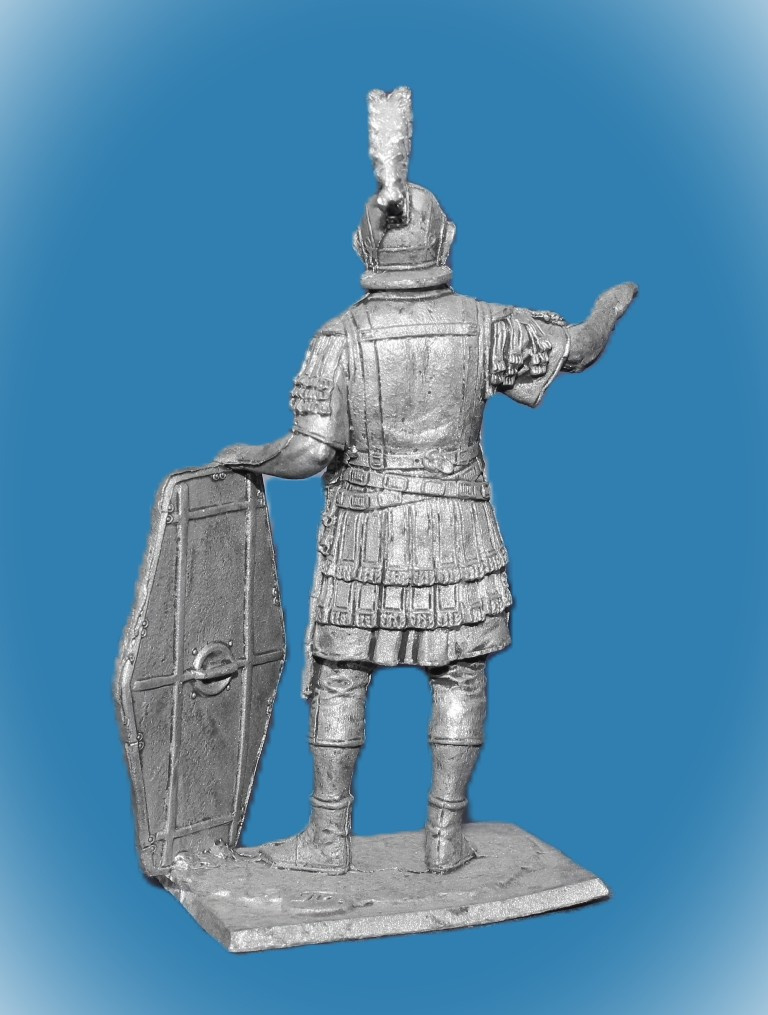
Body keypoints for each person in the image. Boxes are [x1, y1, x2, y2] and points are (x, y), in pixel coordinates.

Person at [216, 89, 637, 875]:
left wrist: (253, 455)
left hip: (366, 530)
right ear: (445, 238)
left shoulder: (338, 338)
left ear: (361, 246)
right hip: (459, 527)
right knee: (460, 671)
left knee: (343, 674)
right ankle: (444, 834)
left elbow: (309, 451)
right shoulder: (484, 324)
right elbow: (577, 349)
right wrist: (608, 309)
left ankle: (330, 836)